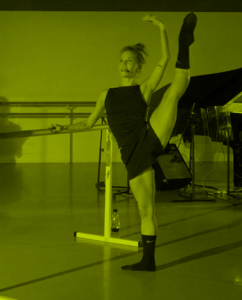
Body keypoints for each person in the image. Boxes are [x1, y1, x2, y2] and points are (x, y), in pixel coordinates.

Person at [48, 13, 197, 271]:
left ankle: (185, 40)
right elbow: (88, 123)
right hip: (132, 155)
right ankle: (148, 261)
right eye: (121, 60)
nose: (123, 64)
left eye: (129, 61)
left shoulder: (143, 89)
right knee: (145, 209)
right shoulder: (106, 94)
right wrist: (62, 127)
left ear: (138, 68)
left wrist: (161, 27)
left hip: (149, 136)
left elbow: (164, 60)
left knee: (175, 91)